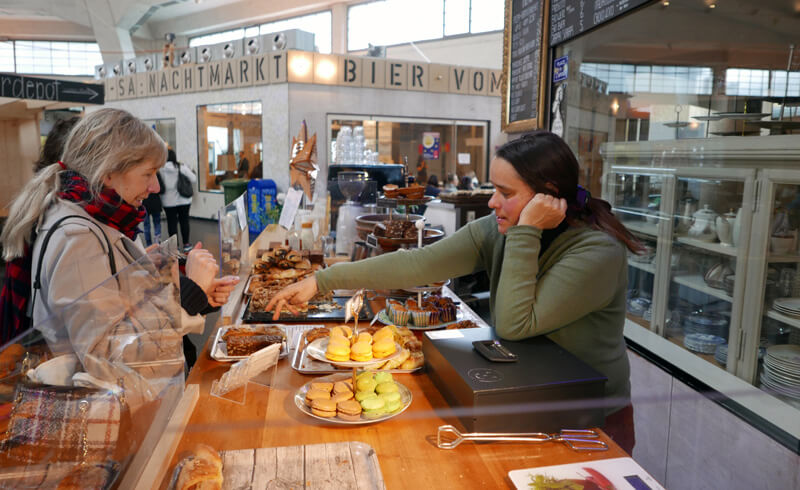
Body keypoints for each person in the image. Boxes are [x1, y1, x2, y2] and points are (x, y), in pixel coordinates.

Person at [266, 131, 644, 453]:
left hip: (590, 421)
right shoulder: (500, 228)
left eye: (505, 192)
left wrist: (526, 230)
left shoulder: (597, 253)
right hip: (529, 400)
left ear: (548, 196)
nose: (492, 202)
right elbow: (419, 264)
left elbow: (514, 323)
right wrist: (322, 280)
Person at [0, 108, 238, 393]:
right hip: (111, 415)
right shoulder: (77, 237)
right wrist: (190, 293)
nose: (155, 186)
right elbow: (108, 354)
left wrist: (167, 279)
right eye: (147, 174)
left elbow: (117, 309)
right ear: (109, 173)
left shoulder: (101, 222)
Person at [159, 149, 196, 252]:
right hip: (184, 200)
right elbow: (194, 179)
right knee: (184, 221)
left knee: (171, 223)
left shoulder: (160, 169)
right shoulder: (181, 167)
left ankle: (175, 247)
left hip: (168, 201)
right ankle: (186, 244)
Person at [141, 172, 164, 246]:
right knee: (157, 223)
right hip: (155, 203)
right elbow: (162, 189)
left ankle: (149, 245)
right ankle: (158, 243)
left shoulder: (141, 175)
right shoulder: (156, 174)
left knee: (146, 225)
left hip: (145, 203)